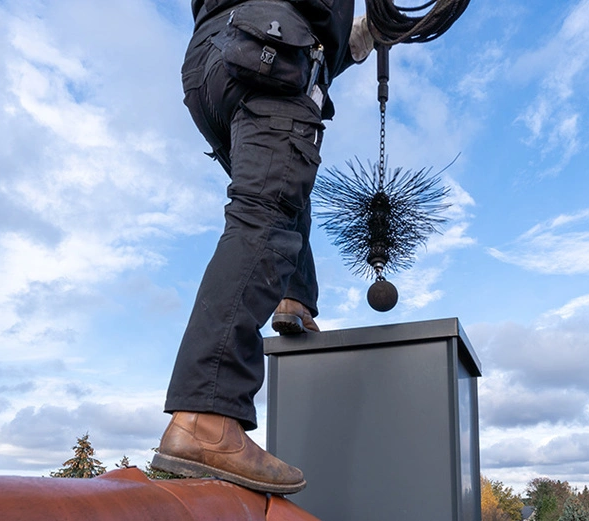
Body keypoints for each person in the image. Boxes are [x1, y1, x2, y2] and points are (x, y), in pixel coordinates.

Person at [151, 0, 374, 494]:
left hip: (214, 63)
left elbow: (323, 31)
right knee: (265, 213)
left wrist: (362, 35)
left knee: (281, 188)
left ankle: (295, 298)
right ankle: (206, 417)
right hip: (272, 46)